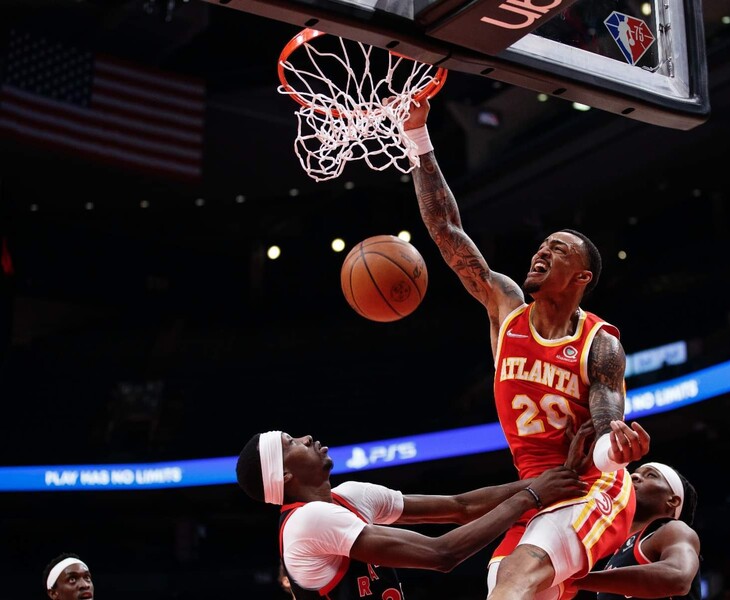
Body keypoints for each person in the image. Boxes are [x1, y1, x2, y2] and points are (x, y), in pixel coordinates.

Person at [403, 100, 651, 600]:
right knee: (502, 584)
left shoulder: (598, 344)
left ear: (582, 278)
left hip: (591, 487)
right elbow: (447, 232)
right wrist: (417, 135)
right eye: (543, 245)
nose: (541, 251)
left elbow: (605, 430)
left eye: (558, 249)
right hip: (533, 494)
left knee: (516, 576)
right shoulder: (506, 309)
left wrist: (617, 447)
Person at [235, 429, 598, 599]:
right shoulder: (307, 521)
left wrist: (559, 475)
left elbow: (461, 508)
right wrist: (532, 496)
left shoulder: (348, 497)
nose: (305, 437)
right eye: (290, 444)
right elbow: (441, 555)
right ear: (283, 476)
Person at [573, 462, 701, 600]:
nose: (634, 476)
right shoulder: (615, 552)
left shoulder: (674, 530)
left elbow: (679, 577)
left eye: (650, 475)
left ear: (673, 501)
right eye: (635, 472)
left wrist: (577, 581)